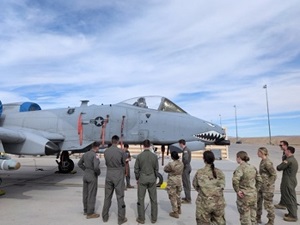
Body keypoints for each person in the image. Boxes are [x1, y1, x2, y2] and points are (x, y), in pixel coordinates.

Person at [193, 150, 226, 225]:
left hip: (204, 203)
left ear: (204, 159)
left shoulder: (200, 172)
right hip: (218, 202)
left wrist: (204, 191)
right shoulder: (219, 172)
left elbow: (195, 185)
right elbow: (222, 186)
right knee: (219, 222)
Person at [102, 135, 127, 225]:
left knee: (107, 196)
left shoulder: (106, 151)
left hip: (109, 174)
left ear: (111, 141)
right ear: (117, 141)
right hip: (118, 175)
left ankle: (105, 217)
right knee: (120, 197)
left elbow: (106, 162)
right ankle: (121, 218)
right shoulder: (121, 152)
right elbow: (123, 163)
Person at [232, 151, 262, 225]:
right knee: (253, 217)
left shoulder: (240, 168)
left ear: (239, 158)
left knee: (245, 218)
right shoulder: (253, 167)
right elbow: (260, 180)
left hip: (244, 196)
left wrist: (238, 190)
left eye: (237, 158)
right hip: (253, 195)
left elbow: (235, 180)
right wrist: (256, 190)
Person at [134, 139, 159, 224]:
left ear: (143, 146)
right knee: (153, 199)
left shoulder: (139, 156)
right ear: (150, 146)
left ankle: (141, 218)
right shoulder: (154, 156)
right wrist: (154, 178)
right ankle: (154, 218)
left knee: (141, 199)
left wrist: (137, 178)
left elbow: (136, 169)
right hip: (151, 178)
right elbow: (156, 169)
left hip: (142, 179)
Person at [77, 141, 101, 219]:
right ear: (96, 147)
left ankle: (85, 210)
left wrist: (86, 170)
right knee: (91, 194)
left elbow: (79, 163)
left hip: (86, 175)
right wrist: (97, 173)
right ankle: (90, 213)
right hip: (92, 175)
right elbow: (96, 167)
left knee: (85, 193)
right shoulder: (95, 155)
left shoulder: (85, 154)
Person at [276, 146, 298, 222]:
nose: (284, 152)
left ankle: (293, 215)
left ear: (288, 151)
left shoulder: (288, 160)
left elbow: (279, 167)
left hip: (288, 181)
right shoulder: (293, 159)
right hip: (292, 180)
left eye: (285, 151)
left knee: (288, 197)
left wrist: (284, 160)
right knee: (291, 196)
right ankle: (291, 212)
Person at [256, 147, 277, 225]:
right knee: (258, 202)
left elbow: (274, 174)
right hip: (261, 186)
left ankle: (271, 221)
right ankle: (257, 218)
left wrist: (269, 184)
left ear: (262, 153)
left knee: (268, 204)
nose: (257, 153)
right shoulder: (263, 161)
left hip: (267, 188)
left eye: (258, 152)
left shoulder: (267, 162)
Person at [164, 151, 184, 219]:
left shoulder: (171, 164)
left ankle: (175, 212)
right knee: (178, 195)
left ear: (172, 157)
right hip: (179, 180)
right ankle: (179, 208)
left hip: (172, 180)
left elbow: (165, 169)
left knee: (172, 196)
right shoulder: (181, 163)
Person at [274, 140, 289, 209]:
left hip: (288, 174)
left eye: (281, 145)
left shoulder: (288, 153)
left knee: (285, 189)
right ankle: (283, 203)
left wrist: (280, 167)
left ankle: (285, 204)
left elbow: (286, 163)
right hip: (285, 172)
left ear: (285, 145)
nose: (280, 147)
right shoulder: (284, 152)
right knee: (284, 188)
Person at [179, 139, 192, 203]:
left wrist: (183, 165)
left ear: (181, 144)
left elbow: (186, 159)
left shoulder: (185, 150)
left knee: (186, 183)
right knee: (187, 183)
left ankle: (188, 199)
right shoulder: (186, 149)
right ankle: (187, 197)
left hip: (186, 168)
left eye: (179, 144)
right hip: (187, 167)